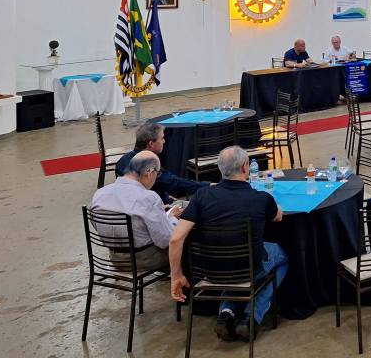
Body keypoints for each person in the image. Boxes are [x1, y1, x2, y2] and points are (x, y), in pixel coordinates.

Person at [169, 146, 287, 342]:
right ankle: (252, 315)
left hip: (210, 269)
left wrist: (176, 276)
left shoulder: (201, 196)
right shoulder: (261, 198)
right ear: (245, 167)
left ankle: (226, 313)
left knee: (226, 258)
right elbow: (278, 216)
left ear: (220, 168)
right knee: (281, 256)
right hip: (250, 268)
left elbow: (175, 238)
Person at [90, 151, 178, 270]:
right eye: (157, 174)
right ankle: (182, 277)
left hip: (117, 259)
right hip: (147, 259)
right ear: (150, 172)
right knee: (185, 232)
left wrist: (157, 212)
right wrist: (172, 218)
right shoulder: (148, 197)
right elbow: (165, 240)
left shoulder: (99, 194)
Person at [114, 122, 208, 202]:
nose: (164, 141)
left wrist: (165, 196)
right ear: (151, 143)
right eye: (162, 138)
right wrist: (205, 185)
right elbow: (174, 182)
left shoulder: (121, 161)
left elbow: (159, 184)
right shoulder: (148, 166)